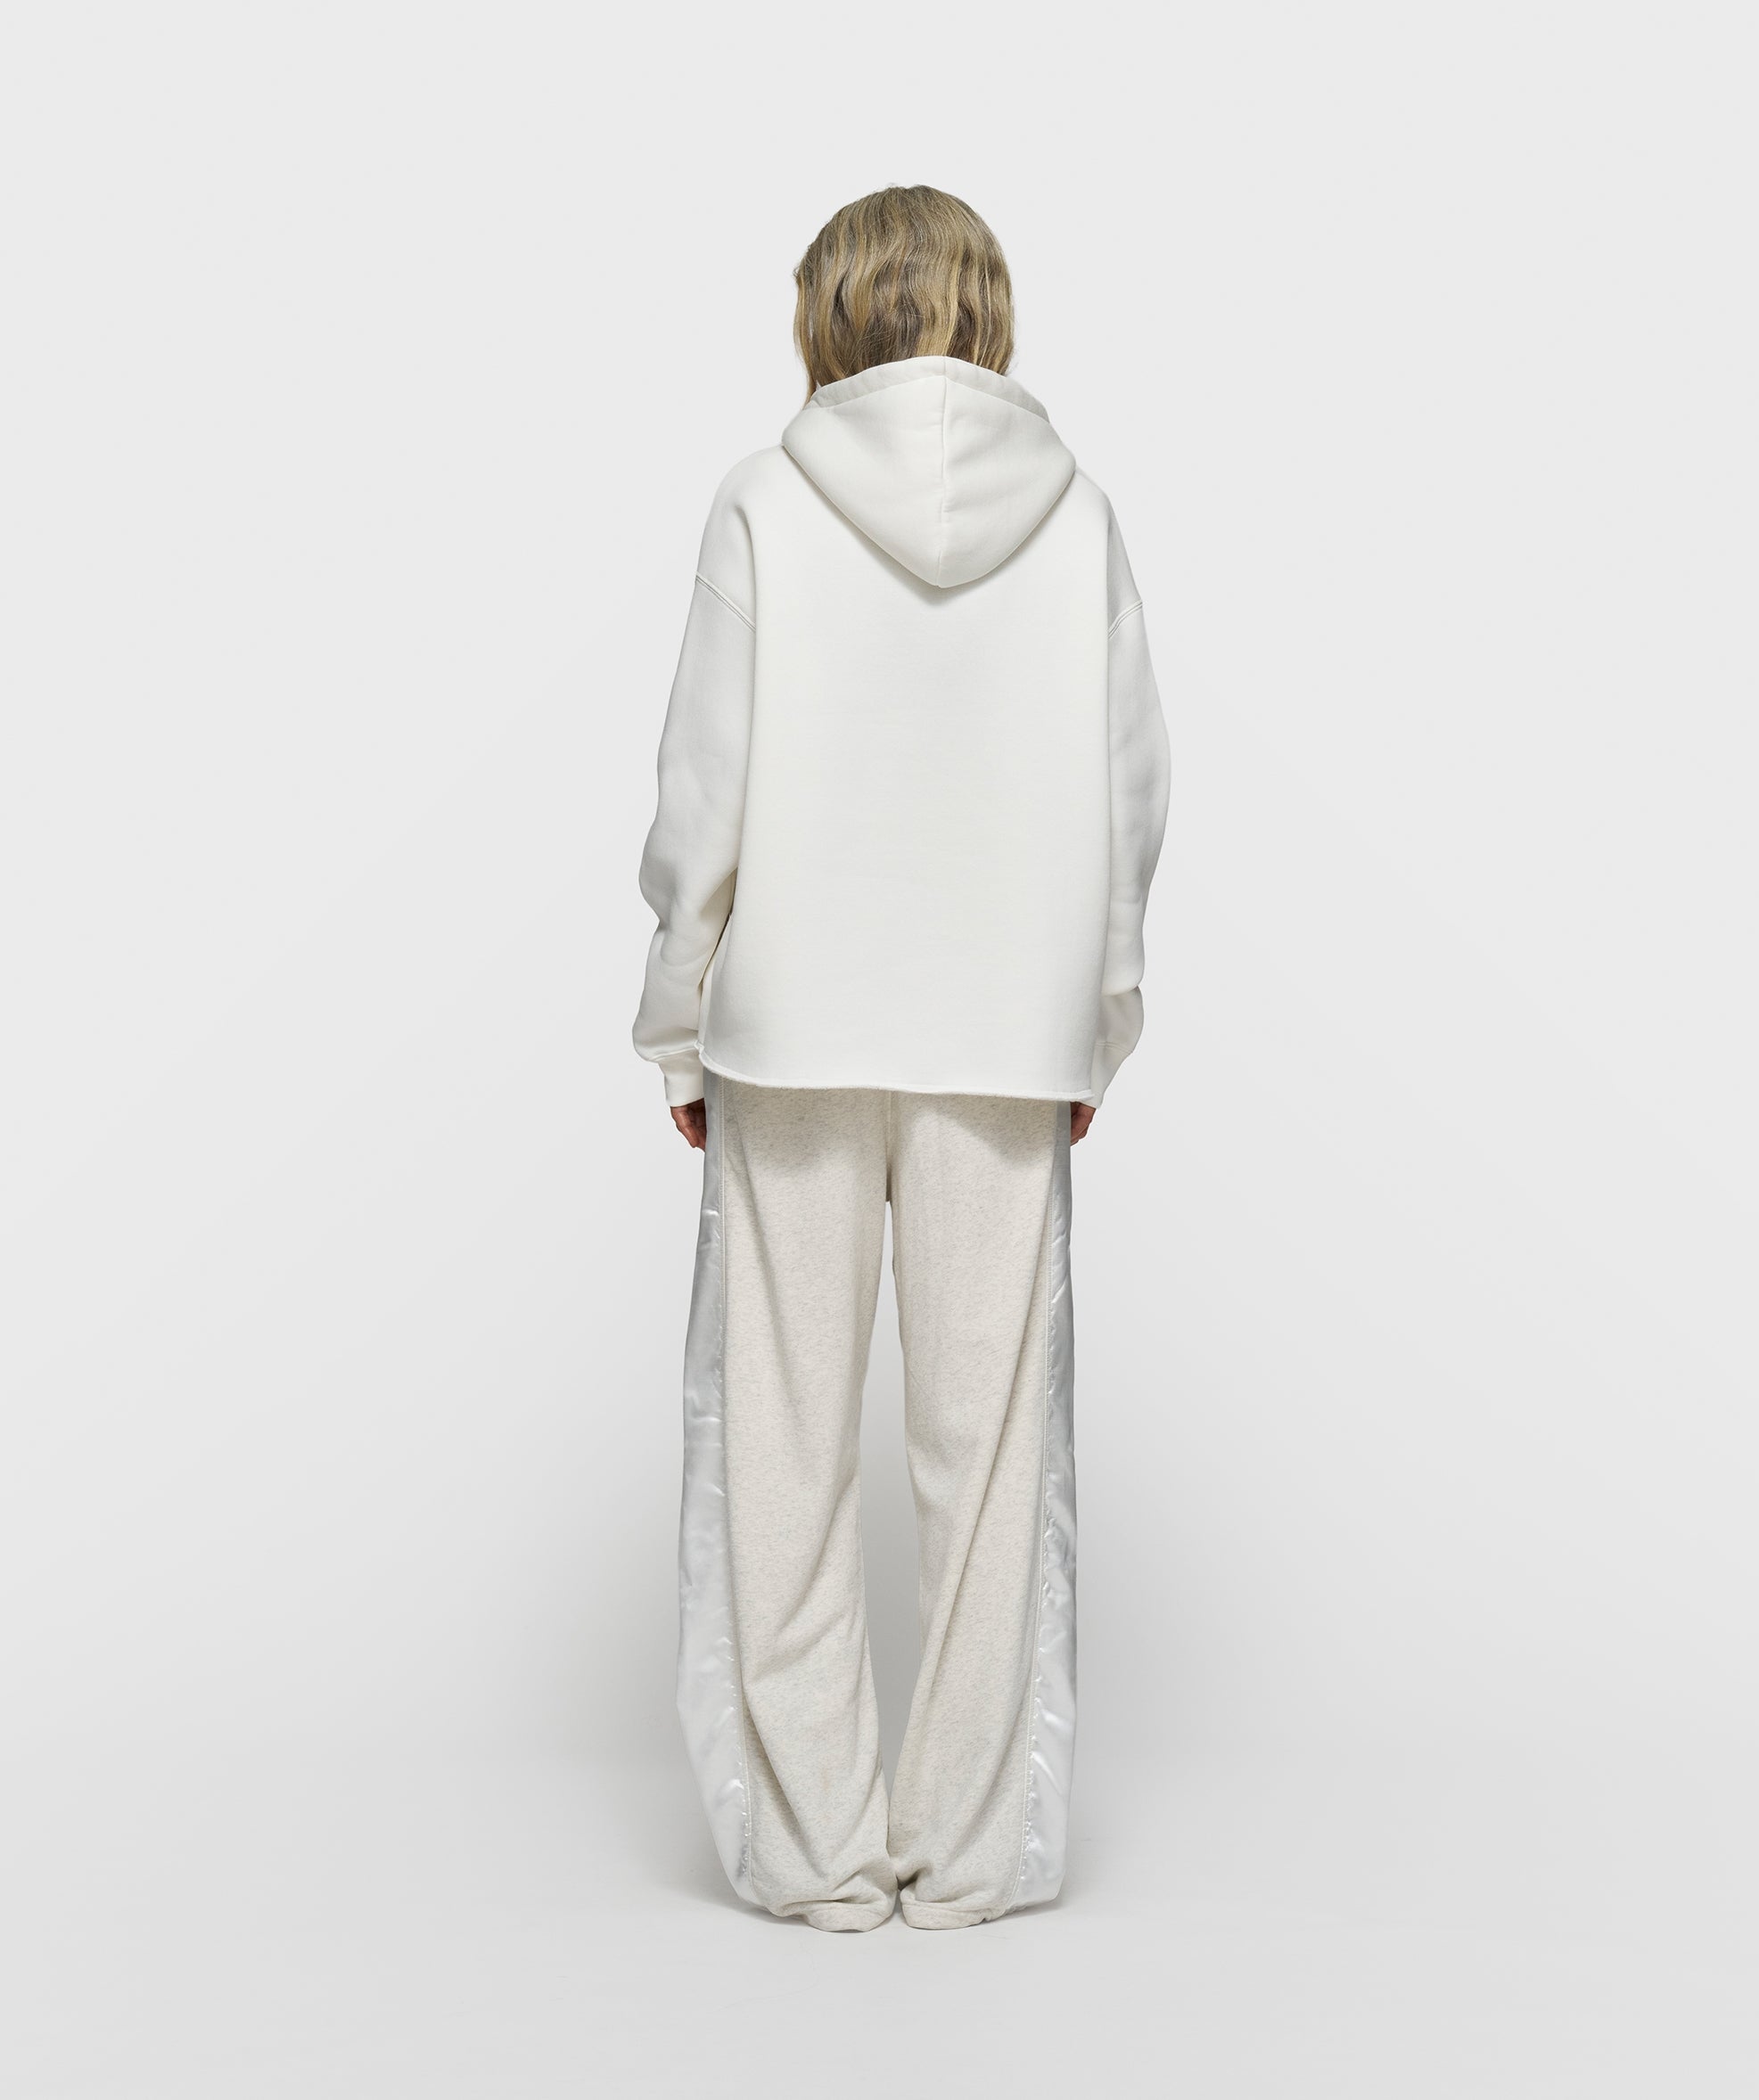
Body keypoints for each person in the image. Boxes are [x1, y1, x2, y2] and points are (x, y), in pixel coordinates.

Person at [633, 185, 1169, 1932]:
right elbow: (1129, 797)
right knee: (989, 1452)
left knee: (781, 1442)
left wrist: (677, 1011)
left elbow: (702, 793)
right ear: (985, 310)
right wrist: (1096, 1022)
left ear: (828, 312)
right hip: (1004, 1038)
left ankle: (814, 1850)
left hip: (791, 1030)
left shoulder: (764, 500)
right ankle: (970, 1847)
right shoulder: (1078, 517)